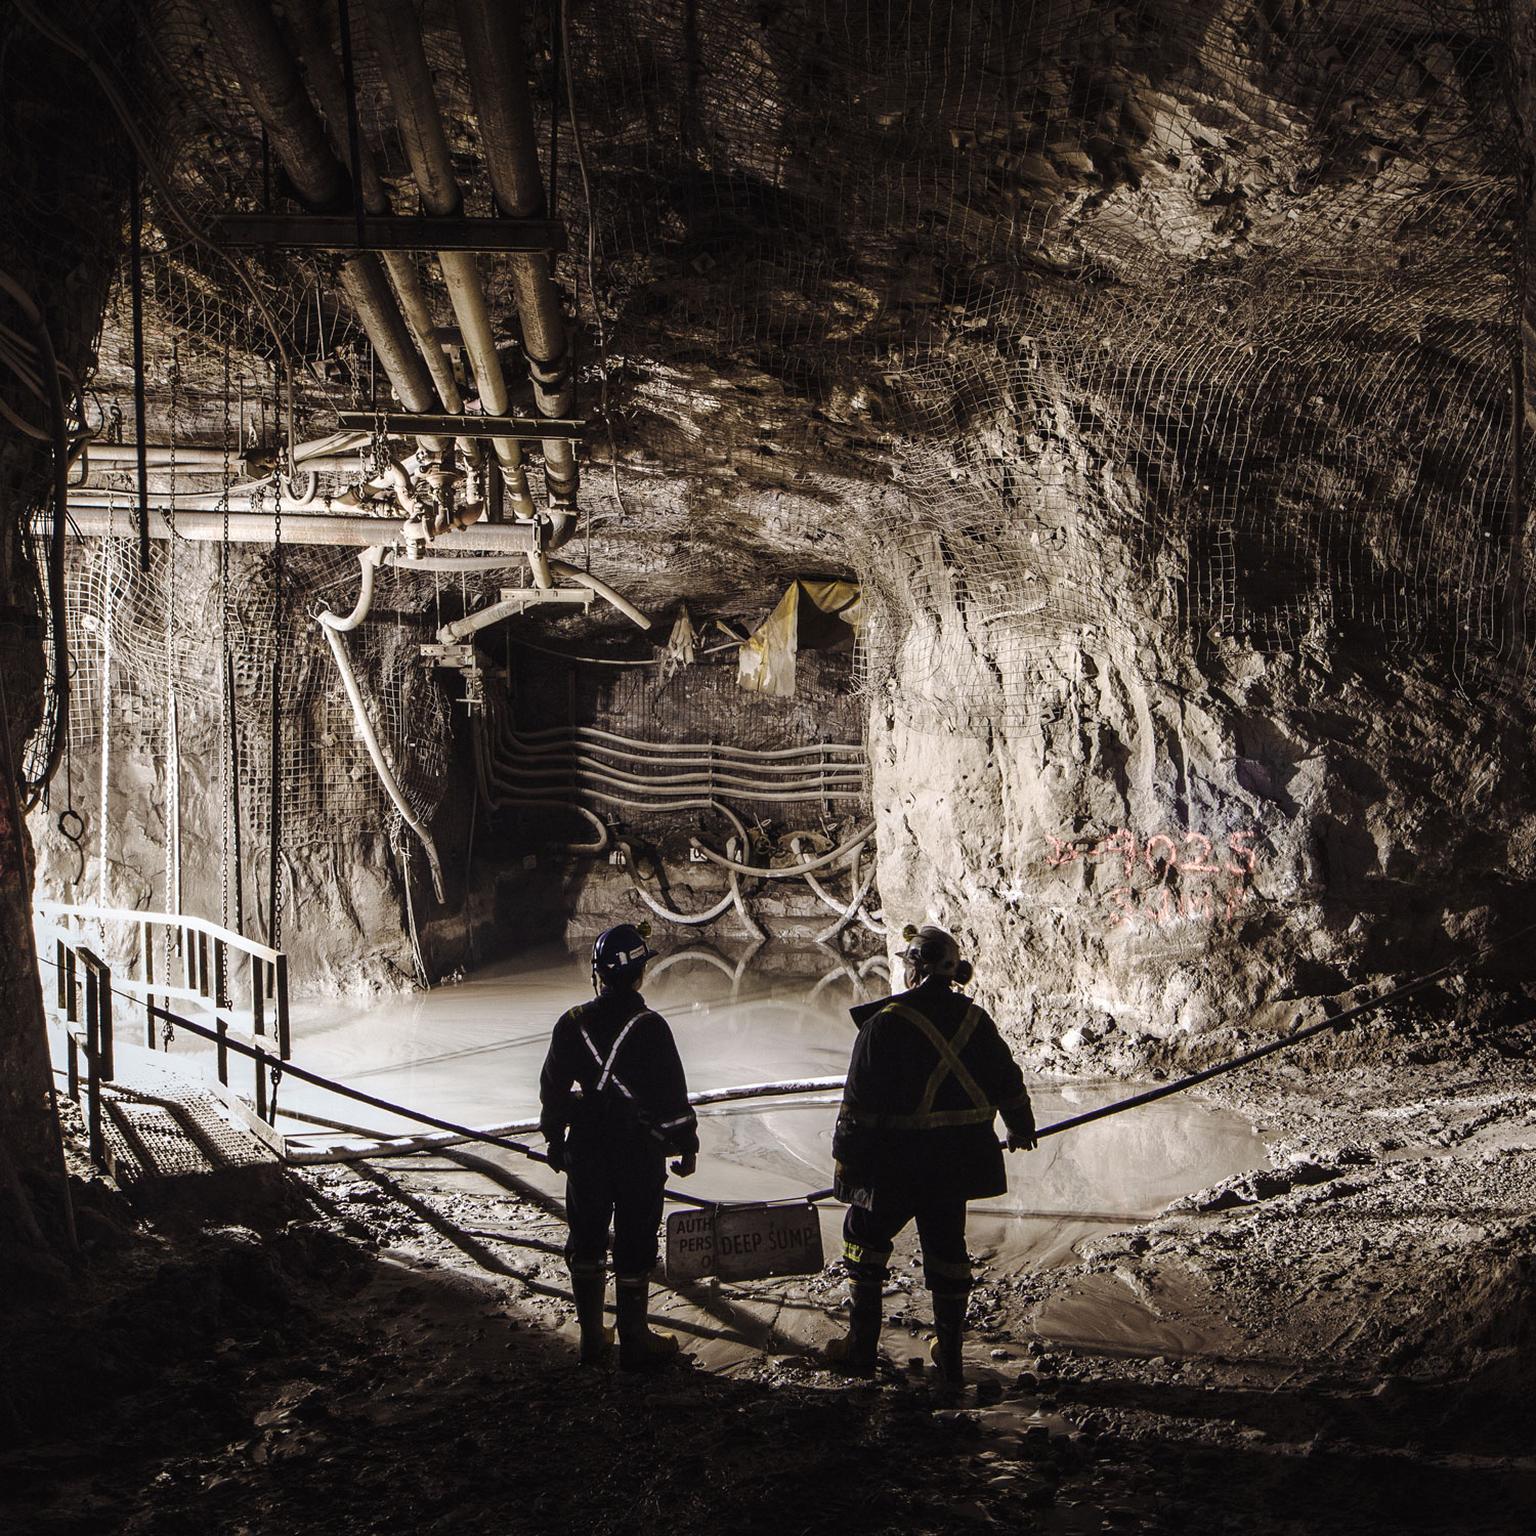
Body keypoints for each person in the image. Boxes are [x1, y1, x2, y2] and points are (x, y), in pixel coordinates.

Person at [829, 923, 1037, 1384]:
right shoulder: (974, 1020)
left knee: (863, 1241)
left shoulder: (883, 1025)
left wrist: (845, 1161)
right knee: (946, 1247)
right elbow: (1008, 1079)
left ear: (913, 969)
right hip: (955, 1165)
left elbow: (856, 1107)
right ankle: (952, 1353)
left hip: (894, 1165)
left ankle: (860, 1348)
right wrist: (1021, 1126)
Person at [539, 922, 699, 1370]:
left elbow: (552, 1089)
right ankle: (633, 1336)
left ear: (597, 973)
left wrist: (554, 1139)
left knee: (586, 1237)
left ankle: (592, 1338)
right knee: (634, 1239)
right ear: (640, 975)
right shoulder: (651, 1028)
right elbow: (672, 1098)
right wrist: (685, 1145)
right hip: (637, 1152)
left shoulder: (572, 1024)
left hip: (587, 1149)